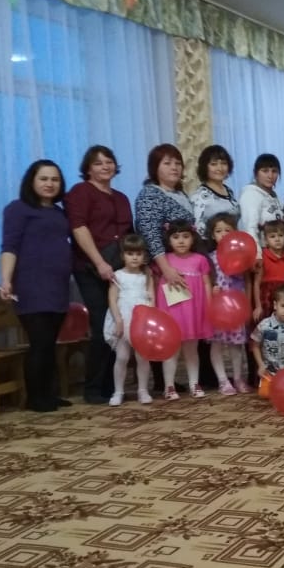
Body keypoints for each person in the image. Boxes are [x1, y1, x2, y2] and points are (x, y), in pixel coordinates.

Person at [0, 159, 72, 413]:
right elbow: (9, 247)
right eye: (43, 178)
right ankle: (35, 398)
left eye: (55, 179)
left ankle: (49, 393)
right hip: (31, 286)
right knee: (39, 343)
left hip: (58, 286)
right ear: (31, 181)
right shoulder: (17, 209)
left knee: (50, 343)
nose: (49, 184)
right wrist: (6, 279)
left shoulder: (60, 212)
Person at [65, 145, 134, 404]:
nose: (105, 166)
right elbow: (79, 228)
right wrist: (99, 262)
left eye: (109, 161)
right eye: (98, 163)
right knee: (101, 323)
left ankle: (112, 386)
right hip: (90, 267)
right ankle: (93, 388)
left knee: (119, 323)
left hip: (119, 269)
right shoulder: (80, 192)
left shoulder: (122, 198)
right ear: (88, 168)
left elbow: (128, 235)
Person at [156, 219, 212, 401]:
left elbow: (206, 283)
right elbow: (156, 284)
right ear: (168, 239)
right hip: (171, 311)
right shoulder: (164, 260)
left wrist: (209, 306)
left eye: (186, 236)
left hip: (193, 312)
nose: (181, 241)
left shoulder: (200, 260)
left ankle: (194, 383)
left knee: (191, 349)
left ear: (193, 238)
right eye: (176, 237)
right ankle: (169, 386)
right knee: (171, 349)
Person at [134, 144, 196, 293]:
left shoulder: (181, 194)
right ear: (155, 168)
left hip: (186, 262)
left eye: (178, 163)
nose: (174, 167)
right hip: (164, 268)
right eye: (167, 163)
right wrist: (166, 268)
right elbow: (151, 235)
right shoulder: (150, 194)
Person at [103, 234, 154, 406]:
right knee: (122, 357)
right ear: (123, 255)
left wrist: (150, 320)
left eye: (138, 254)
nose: (134, 257)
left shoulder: (147, 275)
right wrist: (118, 320)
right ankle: (118, 392)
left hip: (142, 320)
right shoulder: (117, 275)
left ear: (144, 256)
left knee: (142, 357)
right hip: (124, 319)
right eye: (130, 253)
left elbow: (152, 298)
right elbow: (112, 299)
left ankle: (143, 390)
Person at [206, 213, 253, 396]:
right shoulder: (210, 257)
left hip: (236, 307)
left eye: (228, 230)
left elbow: (246, 281)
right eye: (219, 231)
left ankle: (238, 378)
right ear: (212, 235)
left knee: (236, 344)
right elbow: (205, 281)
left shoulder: (241, 257)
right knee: (217, 343)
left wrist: (247, 302)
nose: (223, 234)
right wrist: (212, 290)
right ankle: (222, 380)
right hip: (217, 308)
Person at [191, 144, 240, 240]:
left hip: (232, 244)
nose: (220, 168)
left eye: (224, 163)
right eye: (213, 164)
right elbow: (198, 231)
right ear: (205, 167)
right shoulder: (199, 196)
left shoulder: (229, 191)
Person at [253, 220, 284, 321]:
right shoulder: (262, 258)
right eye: (272, 236)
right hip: (267, 299)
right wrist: (258, 306)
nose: (277, 239)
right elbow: (256, 283)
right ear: (266, 240)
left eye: (280, 235)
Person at [238, 154, 284, 248]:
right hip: (259, 250)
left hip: (275, 250)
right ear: (256, 173)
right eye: (265, 171)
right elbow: (250, 228)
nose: (270, 176)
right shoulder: (251, 194)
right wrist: (257, 253)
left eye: (274, 171)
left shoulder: (273, 195)